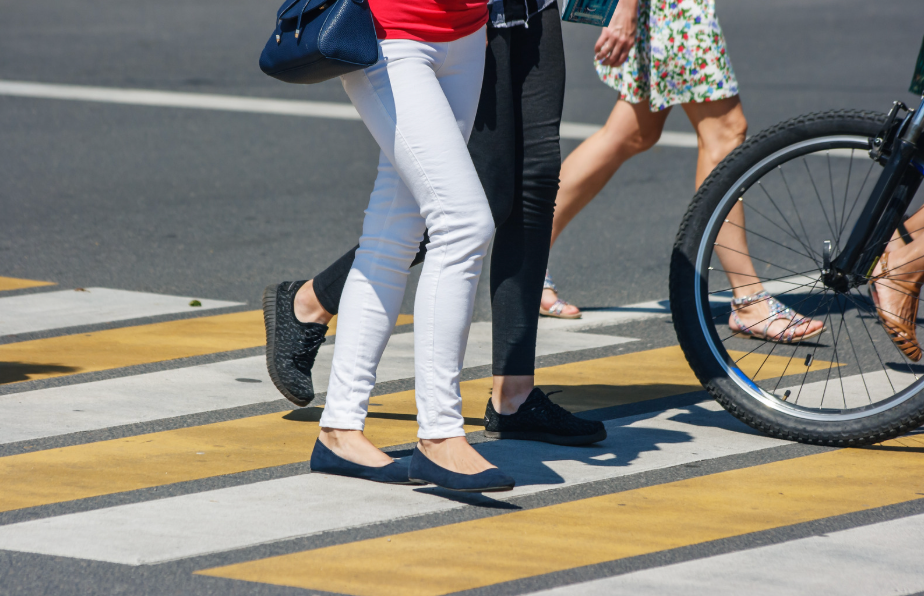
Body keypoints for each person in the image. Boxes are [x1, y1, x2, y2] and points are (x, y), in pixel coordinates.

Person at [263, 0, 605, 491]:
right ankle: (440, 436)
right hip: (393, 34)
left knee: (393, 230)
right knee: (464, 223)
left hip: (465, 35)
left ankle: (340, 429)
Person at [540, 0, 824, 344]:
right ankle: (750, 301)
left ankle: (528, 262)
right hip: (672, 7)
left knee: (633, 131)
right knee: (725, 131)